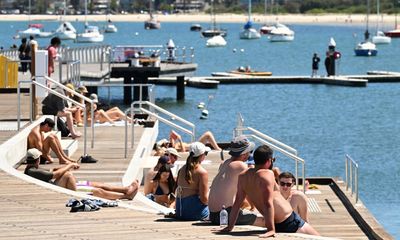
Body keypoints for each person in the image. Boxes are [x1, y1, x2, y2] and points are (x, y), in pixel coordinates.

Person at [220, 145, 319, 237]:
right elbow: (268, 203)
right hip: (289, 221)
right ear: (268, 161)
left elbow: (237, 203)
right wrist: (271, 230)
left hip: (276, 222)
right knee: (318, 237)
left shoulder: (243, 176)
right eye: (272, 160)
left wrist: (230, 226)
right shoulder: (267, 174)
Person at [25, 148, 139, 200]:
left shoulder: (33, 170)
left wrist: (66, 166)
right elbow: (53, 175)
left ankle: (125, 189)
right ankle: (126, 196)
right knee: (99, 191)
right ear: (37, 159)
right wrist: (69, 166)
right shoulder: (32, 171)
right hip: (61, 189)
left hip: (63, 185)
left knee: (99, 185)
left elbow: (52, 172)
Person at [208, 135, 260, 226]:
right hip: (225, 215)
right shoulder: (240, 166)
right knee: (264, 220)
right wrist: (254, 207)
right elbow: (249, 190)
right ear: (244, 154)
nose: (250, 154)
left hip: (213, 215)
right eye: (249, 151)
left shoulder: (225, 163)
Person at [175, 142, 210, 220]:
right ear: (201, 155)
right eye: (206, 153)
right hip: (193, 212)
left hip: (180, 211)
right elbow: (204, 199)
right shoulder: (202, 172)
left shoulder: (182, 169)